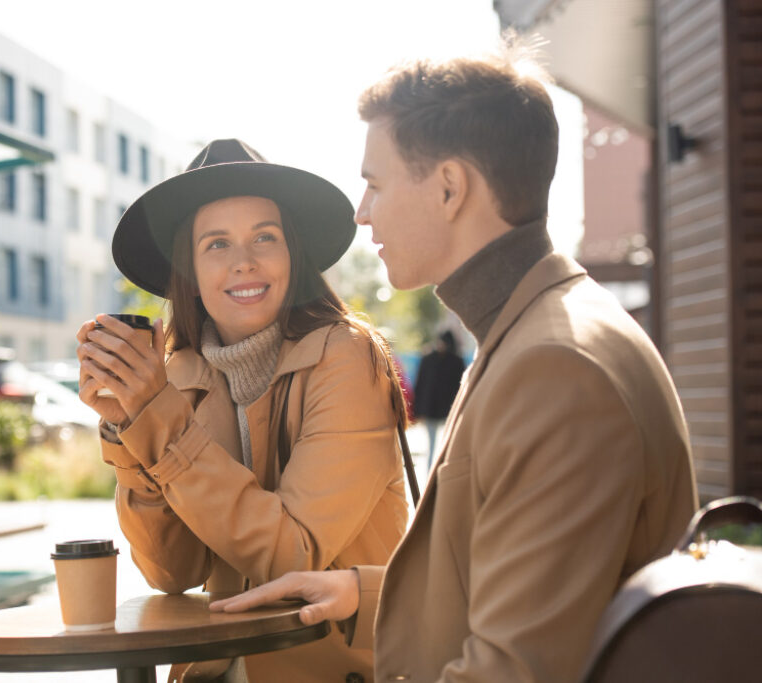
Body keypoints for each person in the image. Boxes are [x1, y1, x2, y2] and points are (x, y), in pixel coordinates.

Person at [211, 42, 699, 683]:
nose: (362, 213)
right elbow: (536, 587)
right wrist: (366, 591)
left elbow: (519, 669)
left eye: (375, 184)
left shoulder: (555, 366)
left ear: (448, 187)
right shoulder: (531, 330)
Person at [76, 139, 410, 682]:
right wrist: (126, 424)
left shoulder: (346, 356)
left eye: (264, 237)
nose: (244, 262)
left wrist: (157, 418)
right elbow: (171, 572)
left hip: (332, 668)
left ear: (291, 254)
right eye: (217, 244)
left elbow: (294, 558)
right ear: (189, 269)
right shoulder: (178, 375)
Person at [412, 329, 465, 469]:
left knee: (447, 445)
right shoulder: (428, 359)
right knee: (431, 445)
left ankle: (442, 471)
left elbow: (461, 387)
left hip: (449, 411)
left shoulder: (456, 361)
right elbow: (420, 384)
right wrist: (417, 409)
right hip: (430, 409)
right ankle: (431, 472)